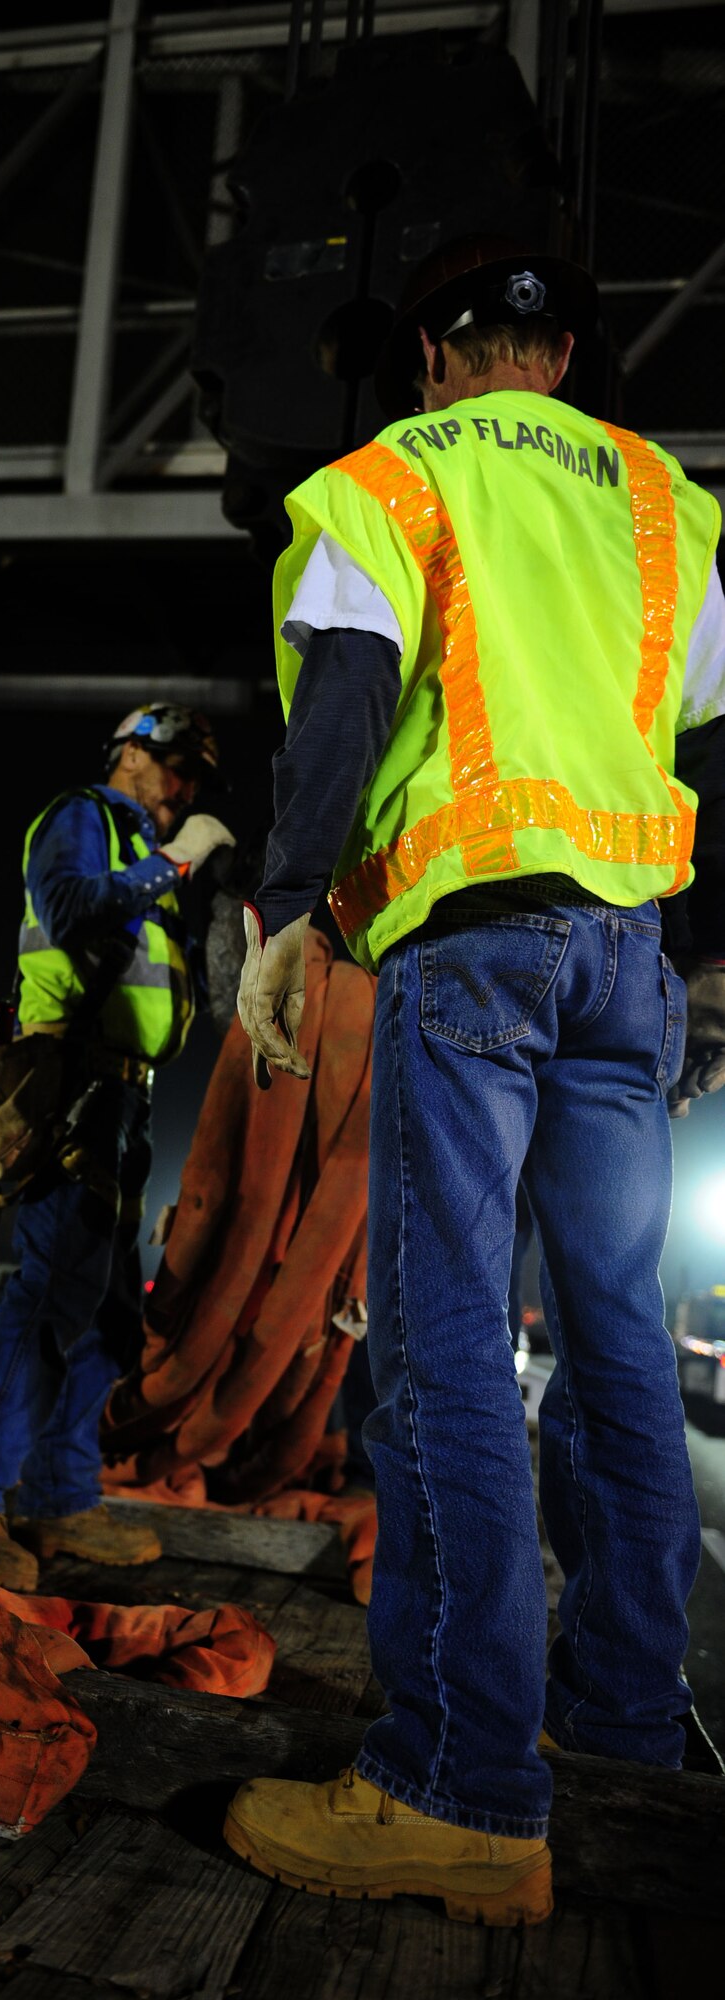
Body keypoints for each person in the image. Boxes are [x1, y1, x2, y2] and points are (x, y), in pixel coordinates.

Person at [226, 238, 725, 1926]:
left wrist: (293, 907)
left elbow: (348, 698)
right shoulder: (665, 502)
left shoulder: (389, 474)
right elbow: (697, 726)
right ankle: (628, 1728)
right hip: (625, 960)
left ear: (437, 358)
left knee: (442, 1351)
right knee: (616, 1349)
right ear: (564, 351)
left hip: (473, 956)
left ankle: (458, 1785)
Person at [0, 705, 235, 1589]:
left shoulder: (145, 857)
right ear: (128, 752)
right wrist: (174, 860)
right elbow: (69, 905)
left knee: (110, 1309)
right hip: (69, 1077)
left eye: (194, 778)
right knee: (51, 1293)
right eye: (172, 766)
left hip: (121, 1094)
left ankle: (56, 1498)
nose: (182, 789)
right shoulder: (82, 819)